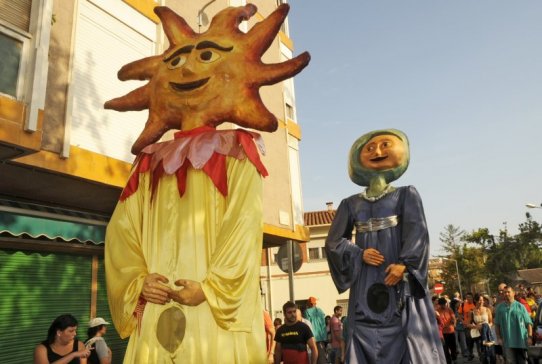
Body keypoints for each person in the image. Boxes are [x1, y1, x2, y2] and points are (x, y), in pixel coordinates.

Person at [103, 4, 309, 363]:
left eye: (207, 56)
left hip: (215, 317)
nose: (188, 68)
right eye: (177, 61)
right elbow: (121, 231)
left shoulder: (238, 153)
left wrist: (214, 290)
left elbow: (243, 225)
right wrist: (138, 282)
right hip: (156, 315)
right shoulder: (149, 163)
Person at [325, 129, 445, 363]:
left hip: (399, 284)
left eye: (385, 145)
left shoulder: (406, 195)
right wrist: (358, 253)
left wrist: (405, 266)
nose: (377, 151)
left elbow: (417, 233)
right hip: (364, 287)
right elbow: (333, 242)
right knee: (362, 330)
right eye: (369, 148)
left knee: (407, 335)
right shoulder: (349, 204)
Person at [494, 285, 533, 364]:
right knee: (510, 361)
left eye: (508, 292)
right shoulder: (499, 308)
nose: (506, 294)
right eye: (505, 292)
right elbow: (497, 324)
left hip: (521, 341)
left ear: (513, 293)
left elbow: (528, 323)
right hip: (507, 341)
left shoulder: (520, 306)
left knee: (523, 361)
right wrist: (499, 338)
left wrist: (529, 337)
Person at [469, 293, 496, 364]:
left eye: (482, 300)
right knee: (482, 354)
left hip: (488, 334)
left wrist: (486, 326)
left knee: (491, 353)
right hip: (478, 335)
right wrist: (475, 326)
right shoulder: (472, 312)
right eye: (479, 300)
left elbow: (491, 322)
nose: (481, 302)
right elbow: (468, 324)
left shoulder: (487, 310)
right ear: (475, 300)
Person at [304, 296, 327, 364]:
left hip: (311, 337)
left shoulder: (307, 311)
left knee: (313, 355)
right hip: (321, 337)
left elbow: (307, 324)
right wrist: (325, 336)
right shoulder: (320, 310)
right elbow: (323, 323)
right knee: (321, 355)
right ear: (313, 303)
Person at [436, 297, 457, 364]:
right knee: (445, 348)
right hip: (443, 333)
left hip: (451, 331)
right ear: (439, 304)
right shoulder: (437, 311)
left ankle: (454, 358)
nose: (443, 305)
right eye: (441, 304)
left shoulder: (449, 309)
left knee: (453, 347)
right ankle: (448, 361)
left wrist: (453, 322)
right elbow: (436, 322)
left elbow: (453, 318)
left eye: (444, 304)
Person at [458, 292, 476, 360]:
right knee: (469, 341)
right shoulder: (463, 305)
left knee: (477, 340)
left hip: (475, 326)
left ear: (472, 297)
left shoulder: (475, 303)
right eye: (467, 297)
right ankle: (470, 354)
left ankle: (481, 354)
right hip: (467, 326)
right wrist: (463, 322)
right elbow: (459, 314)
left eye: (469, 297)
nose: (468, 298)